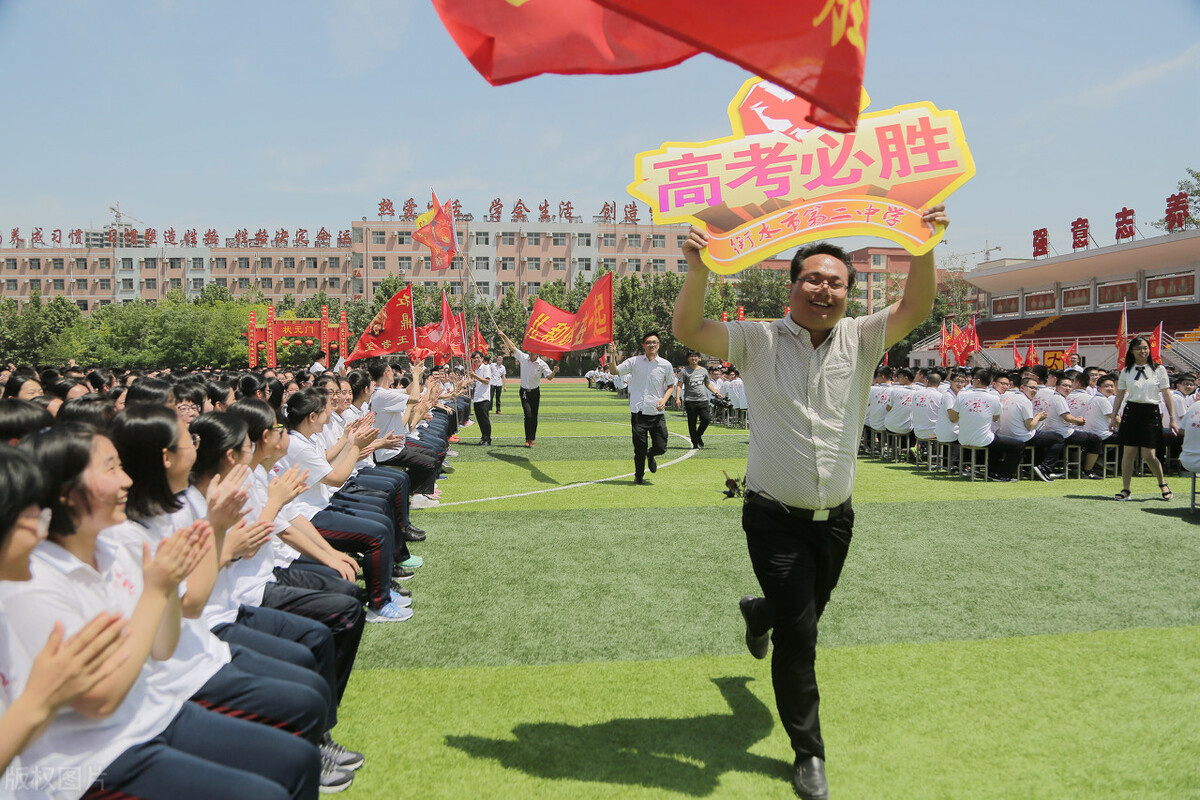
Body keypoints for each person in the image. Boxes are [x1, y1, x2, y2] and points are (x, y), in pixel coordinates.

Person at [672, 204, 949, 799]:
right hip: (773, 516)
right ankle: (809, 753)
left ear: (849, 292)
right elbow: (689, 332)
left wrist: (922, 244)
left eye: (837, 282)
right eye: (813, 279)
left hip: (836, 521)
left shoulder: (863, 336)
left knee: (800, 614)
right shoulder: (758, 340)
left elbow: (916, 307)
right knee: (803, 638)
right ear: (793, 284)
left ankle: (761, 612)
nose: (825, 290)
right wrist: (698, 269)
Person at [1111, 336, 1177, 500]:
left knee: (1149, 455)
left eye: (1145, 348)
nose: (1143, 351)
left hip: (1151, 412)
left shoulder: (1159, 369)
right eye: (1139, 348)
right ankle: (1126, 490)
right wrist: (1113, 416)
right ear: (1132, 351)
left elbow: (1167, 394)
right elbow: (1120, 395)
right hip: (1132, 411)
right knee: (1129, 453)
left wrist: (1173, 417)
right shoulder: (1126, 371)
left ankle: (1163, 483)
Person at [607, 333, 677, 485]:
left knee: (661, 447)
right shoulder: (635, 361)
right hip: (638, 412)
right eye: (648, 342)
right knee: (639, 448)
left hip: (657, 412)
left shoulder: (665, 365)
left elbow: (671, 385)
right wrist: (612, 355)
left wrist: (664, 400)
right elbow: (614, 371)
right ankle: (638, 475)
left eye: (655, 342)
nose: (652, 345)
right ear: (643, 345)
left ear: (658, 345)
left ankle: (651, 454)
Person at [496, 331, 558, 447]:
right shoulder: (524, 358)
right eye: (529, 350)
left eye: (532, 350)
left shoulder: (542, 364)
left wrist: (554, 372)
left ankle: (532, 438)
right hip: (524, 392)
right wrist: (504, 335)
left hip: (535, 392)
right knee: (528, 415)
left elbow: (549, 377)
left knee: (534, 416)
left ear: (537, 352)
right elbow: (512, 347)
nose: (530, 352)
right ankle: (527, 438)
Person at [676, 351, 721, 449]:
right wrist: (677, 398)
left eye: (696, 356)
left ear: (699, 358)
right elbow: (679, 386)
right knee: (692, 423)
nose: (693, 358)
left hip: (703, 400)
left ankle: (698, 435)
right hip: (690, 400)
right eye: (691, 356)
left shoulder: (704, 370)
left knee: (707, 419)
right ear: (688, 358)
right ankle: (694, 443)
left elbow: (708, 384)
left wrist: (716, 392)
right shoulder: (684, 371)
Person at [469, 351, 494, 446]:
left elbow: (486, 381)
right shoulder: (478, 369)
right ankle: (483, 437)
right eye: (474, 358)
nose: (476, 359)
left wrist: (475, 376)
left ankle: (488, 439)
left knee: (485, 420)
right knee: (480, 420)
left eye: (478, 357)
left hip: (484, 398)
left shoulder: (486, 367)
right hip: (477, 398)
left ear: (482, 358)